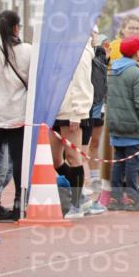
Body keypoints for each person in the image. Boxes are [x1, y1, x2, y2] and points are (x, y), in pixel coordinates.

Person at [98, 15, 139, 208]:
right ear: (122, 29)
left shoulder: (136, 54)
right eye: (131, 28)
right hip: (131, 113)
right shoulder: (119, 48)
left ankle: (123, 195)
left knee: (122, 159)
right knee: (132, 160)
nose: (135, 31)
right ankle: (130, 196)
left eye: (138, 28)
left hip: (128, 110)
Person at [51, 37, 101, 218]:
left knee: (74, 158)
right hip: (54, 110)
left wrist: (77, 113)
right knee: (55, 159)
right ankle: (81, 195)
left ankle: (77, 203)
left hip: (72, 111)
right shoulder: (57, 47)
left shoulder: (80, 49)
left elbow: (82, 83)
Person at [0, 10, 31, 221]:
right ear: (16, 28)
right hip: (18, 114)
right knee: (19, 163)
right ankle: (18, 204)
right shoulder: (27, 51)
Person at [107, 36, 139, 210]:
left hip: (115, 124)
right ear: (136, 53)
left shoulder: (112, 70)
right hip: (133, 126)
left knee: (118, 162)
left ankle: (116, 198)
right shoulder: (136, 73)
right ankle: (133, 199)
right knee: (133, 165)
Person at [82, 30, 109, 193]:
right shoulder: (81, 54)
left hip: (98, 104)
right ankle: (82, 179)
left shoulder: (100, 52)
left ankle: (94, 177)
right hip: (83, 105)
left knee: (95, 142)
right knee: (80, 146)